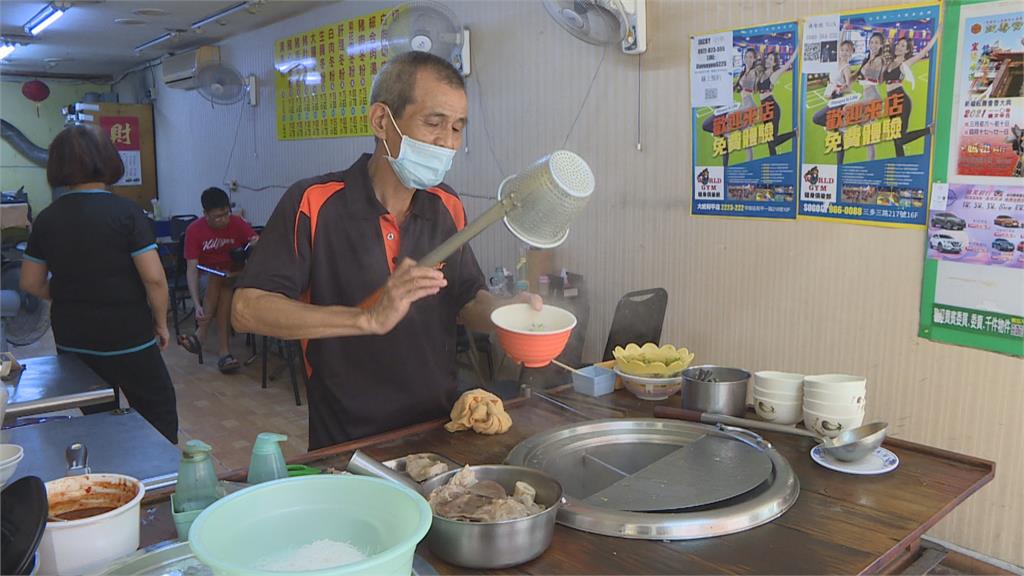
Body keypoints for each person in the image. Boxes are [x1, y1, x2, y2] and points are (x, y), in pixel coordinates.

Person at [232, 51, 540, 450]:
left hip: (441, 426)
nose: (447, 142)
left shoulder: (446, 204)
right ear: (381, 121)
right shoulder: (314, 203)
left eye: (458, 128)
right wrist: (366, 318)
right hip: (348, 438)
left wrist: (508, 314)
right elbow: (247, 308)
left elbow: (466, 298)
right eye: (434, 123)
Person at [19, 124, 178, 443]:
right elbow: (154, 278)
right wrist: (160, 322)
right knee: (157, 411)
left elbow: (30, 282)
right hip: (127, 335)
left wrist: (70, 295)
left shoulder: (47, 218)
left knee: (99, 415)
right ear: (107, 160)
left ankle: (112, 479)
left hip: (73, 336)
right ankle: (158, 482)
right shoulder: (126, 212)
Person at [177, 187, 258, 373]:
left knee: (223, 280)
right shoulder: (194, 230)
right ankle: (224, 353)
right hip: (211, 278)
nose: (223, 220)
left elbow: (256, 242)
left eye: (226, 214)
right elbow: (191, 270)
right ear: (205, 214)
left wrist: (254, 243)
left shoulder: (237, 223)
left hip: (237, 274)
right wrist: (196, 304)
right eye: (217, 216)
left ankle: (201, 334)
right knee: (220, 282)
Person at [884, 34, 939, 157]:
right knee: (896, 139)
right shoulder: (889, 62)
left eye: (903, 46)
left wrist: (937, 33)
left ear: (907, 50)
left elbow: (924, 51)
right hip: (890, 102)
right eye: (898, 44)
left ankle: (930, 130)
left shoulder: (905, 64)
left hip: (901, 100)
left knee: (900, 138)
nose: (899, 47)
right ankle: (900, 166)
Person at [812, 39, 855, 165]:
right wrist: (843, 31)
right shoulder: (836, 62)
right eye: (842, 50)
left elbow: (849, 86)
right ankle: (839, 165)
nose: (844, 52)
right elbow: (837, 44)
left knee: (816, 118)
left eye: (847, 50)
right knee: (838, 136)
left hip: (838, 99)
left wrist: (838, 88)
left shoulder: (846, 68)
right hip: (833, 98)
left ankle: (836, 126)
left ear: (851, 53)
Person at [757, 50, 796, 156]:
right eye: (768, 58)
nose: (768, 61)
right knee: (769, 141)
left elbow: (788, 64)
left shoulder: (774, 75)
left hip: (772, 108)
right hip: (764, 109)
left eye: (771, 59)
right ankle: (773, 160)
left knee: (772, 140)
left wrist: (798, 47)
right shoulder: (761, 73)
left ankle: (794, 133)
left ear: (774, 63)